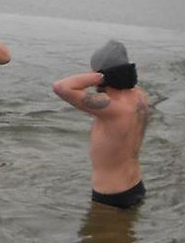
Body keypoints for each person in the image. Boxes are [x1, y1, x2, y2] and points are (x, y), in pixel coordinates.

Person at [52, 41, 151, 210]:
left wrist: (103, 76)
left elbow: (61, 87)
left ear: (103, 74)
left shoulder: (113, 107)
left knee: (96, 237)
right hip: (136, 186)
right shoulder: (140, 97)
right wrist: (116, 73)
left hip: (111, 197)